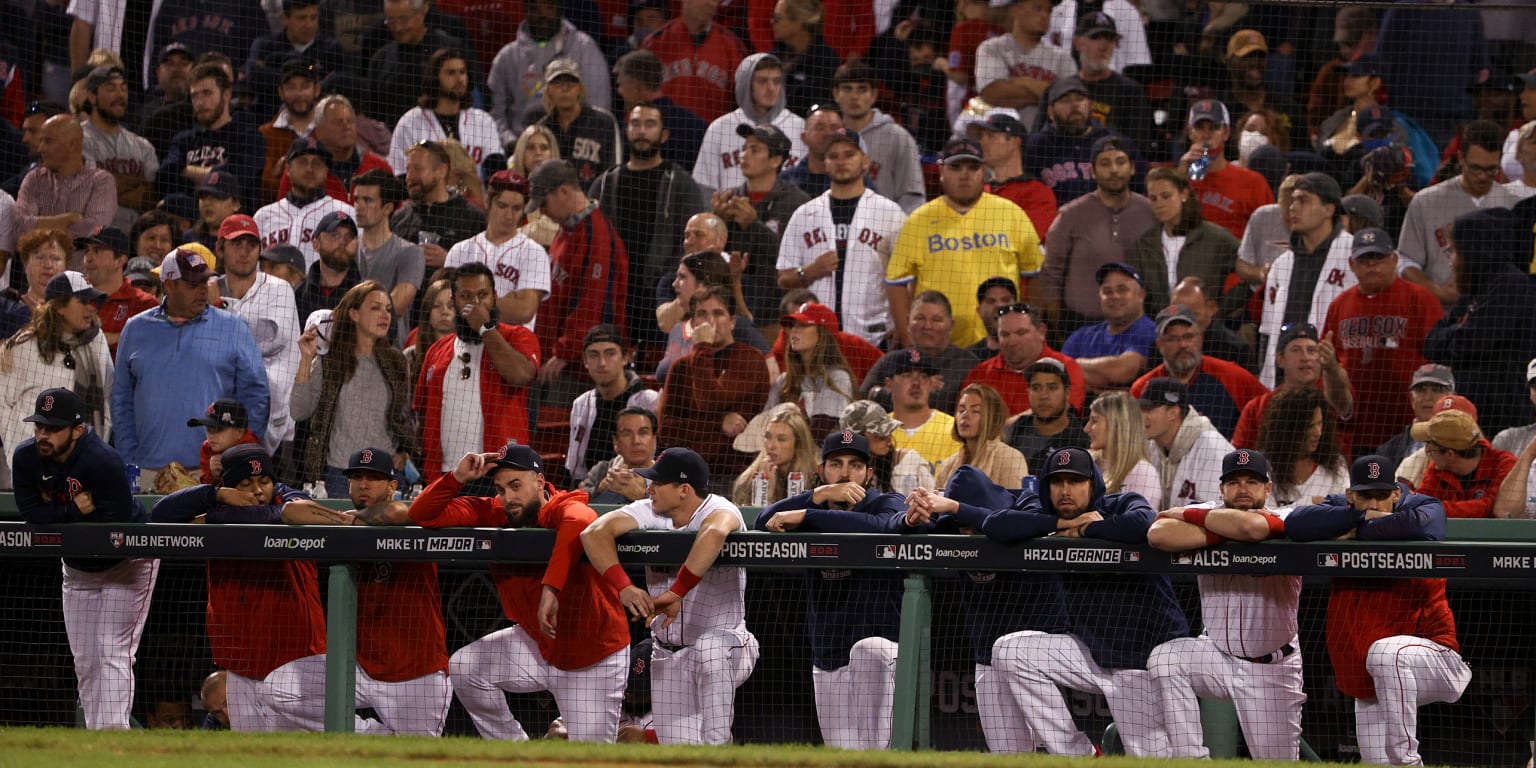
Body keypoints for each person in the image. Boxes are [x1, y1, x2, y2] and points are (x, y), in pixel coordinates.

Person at [910, 447, 1187, 757]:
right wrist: (1057, 524)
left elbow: (1142, 522)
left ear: (1092, 485)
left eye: (1075, 481)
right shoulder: (1046, 519)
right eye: (1057, 483)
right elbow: (998, 524)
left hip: (1142, 659)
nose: (1065, 490)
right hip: (1092, 651)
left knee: (1154, 759)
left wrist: (1089, 529)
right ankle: (1078, 756)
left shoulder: (1121, 503)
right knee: (1009, 650)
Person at [411, 443, 631, 741]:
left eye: (516, 486)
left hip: (592, 654)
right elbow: (422, 514)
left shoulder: (561, 505)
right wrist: (457, 477)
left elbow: (582, 520)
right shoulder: (496, 511)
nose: (508, 497)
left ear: (540, 482)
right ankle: (517, 752)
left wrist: (550, 588)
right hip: (538, 643)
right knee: (465, 667)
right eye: (501, 489)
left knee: (591, 760)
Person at [1287, 455, 1471, 766]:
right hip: (1372, 680)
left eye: (1382, 496)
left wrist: (1359, 527)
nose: (1374, 503)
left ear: (1397, 493)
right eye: (1365, 496)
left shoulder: (1422, 505)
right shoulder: (1340, 507)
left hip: (1437, 659)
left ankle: (1408, 763)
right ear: (1350, 496)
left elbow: (1429, 524)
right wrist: (1362, 520)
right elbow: (1296, 522)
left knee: (1387, 653)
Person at [581, 447, 759, 745]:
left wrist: (677, 592)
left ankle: (721, 749)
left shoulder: (721, 508)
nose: (649, 489)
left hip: (728, 646)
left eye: (657, 483)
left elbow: (714, 533)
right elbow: (593, 534)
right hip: (667, 654)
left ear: (684, 490)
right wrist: (624, 586)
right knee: (680, 753)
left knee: (709, 650)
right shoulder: (650, 510)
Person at [150, 445, 326, 732]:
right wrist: (214, 495)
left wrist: (215, 517)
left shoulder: (291, 499)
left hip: (296, 657)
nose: (258, 491)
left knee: (301, 752)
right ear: (230, 488)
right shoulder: (217, 500)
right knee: (251, 750)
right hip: (241, 659)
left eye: (264, 481)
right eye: (246, 485)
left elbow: (283, 514)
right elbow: (159, 514)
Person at [1146, 448, 1305, 761]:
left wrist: (1208, 528)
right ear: (1221, 488)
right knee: (1164, 659)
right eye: (1233, 482)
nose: (1242, 488)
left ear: (1268, 488)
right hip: (1215, 655)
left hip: (1270, 668)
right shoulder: (1208, 511)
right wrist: (1222, 529)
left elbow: (1249, 528)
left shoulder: (1286, 517)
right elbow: (1157, 534)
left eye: (1252, 481)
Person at [11, 387, 157, 729]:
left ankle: (113, 742)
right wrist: (70, 510)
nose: (43, 435)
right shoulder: (26, 458)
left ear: (77, 430)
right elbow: (32, 514)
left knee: (112, 652)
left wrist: (57, 514)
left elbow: (112, 531)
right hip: (77, 569)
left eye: (53, 428)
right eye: (40, 427)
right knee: (86, 661)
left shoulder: (103, 461)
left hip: (128, 565)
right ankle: (96, 741)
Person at [279, 447, 451, 736]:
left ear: (393, 486)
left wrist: (354, 521)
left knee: (417, 761)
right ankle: (378, 738)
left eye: (374, 478)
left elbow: (398, 511)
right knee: (279, 688)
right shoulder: (346, 520)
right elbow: (290, 510)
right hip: (358, 669)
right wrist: (347, 521)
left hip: (415, 674)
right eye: (357, 477)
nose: (363, 484)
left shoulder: (409, 516)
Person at [756, 430, 906, 749]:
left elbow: (884, 528)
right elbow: (763, 522)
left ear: (869, 473)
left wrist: (810, 513)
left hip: (879, 648)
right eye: (836, 464)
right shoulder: (813, 506)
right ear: (822, 471)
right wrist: (816, 497)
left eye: (855, 465)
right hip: (829, 651)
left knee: (878, 753)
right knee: (840, 755)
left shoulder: (886, 502)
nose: (845, 473)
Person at [112, 248, 269, 489]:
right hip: (146, 470)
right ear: (169, 284)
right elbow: (121, 399)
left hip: (212, 472)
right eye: (193, 283)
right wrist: (130, 458)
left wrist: (237, 455)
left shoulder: (233, 327)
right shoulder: (135, 329)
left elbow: (257, 396)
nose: (203, 289)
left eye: (205, 281)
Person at [887, 139, 1043, 348]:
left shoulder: (1012, 214)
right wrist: (910, 343)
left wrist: (1026, 330)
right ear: (941, 171)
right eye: (956, 167)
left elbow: (1034, 274)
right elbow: (896, 283)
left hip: (1001, 342)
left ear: (984, 172)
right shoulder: (919, 220)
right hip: (939, 347)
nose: (965, 175)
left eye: (973, 167)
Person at [588, 103, 709, 342]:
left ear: (664, 135)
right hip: (612, 295)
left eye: (650, 124)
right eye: (635, 124)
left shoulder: (681, 185)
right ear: (626, 131)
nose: (642, 131)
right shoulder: (603, 184)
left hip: (659, 296)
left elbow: (694, 247)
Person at [412, 262, 541, 484]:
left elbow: (520, 375)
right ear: (453, 301)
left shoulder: (518, 337)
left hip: (501, 474)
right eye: (466, 296)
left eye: (483, 295)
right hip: (445, 475)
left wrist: (485, 327)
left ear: (495, 297)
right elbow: (422, 413)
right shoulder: (437, 350)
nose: (475, 304)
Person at [777, 128, 905, 347]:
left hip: (873, 337)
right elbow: (783, 279)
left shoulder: (891, 214)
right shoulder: (804, 214)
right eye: (833, 156)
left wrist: (901, 325)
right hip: (816, 340)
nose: (841, 161)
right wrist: (809, 271)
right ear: (825, 164)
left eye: (849, 154)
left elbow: (906, 279)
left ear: (865, 161)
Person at [1321, 228, 1443, 453]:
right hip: (1357, 426)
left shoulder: (1420, 298)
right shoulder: (1339, 305)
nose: (1372, 264)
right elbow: (1330, 360)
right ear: (1352, 264)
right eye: (1365, 259)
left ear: (1394, 259)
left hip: (1406, 424)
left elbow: (1439, 361)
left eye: (1378, 257)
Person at [290, 281, 416, 496]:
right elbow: (299, 411)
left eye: (387, 309)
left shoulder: (397, 362)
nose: (385, 315)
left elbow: (403, 417)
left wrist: (405, 452)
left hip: (386, 474)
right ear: (354, 314)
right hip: (340, 475)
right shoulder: (330, 361)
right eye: (375, 308)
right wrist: (306, 360)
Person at [1425, 207, 1536, 435]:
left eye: (1454, 250)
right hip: (1475, 413)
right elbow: (1430, 343)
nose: (1450, 259)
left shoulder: (1512, 286)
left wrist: (1458, 332)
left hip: (1507, 416)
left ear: (1474, 251)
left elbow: (1470, 342)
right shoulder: (1474, 291)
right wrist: (1459, 332)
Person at [1034, 134, 1153, 343]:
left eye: (1120, 161)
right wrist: (1059, 329)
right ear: (1092, 171)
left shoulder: (1151, 212)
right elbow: (1051, 273)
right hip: (1079, 327)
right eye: (1105, 163)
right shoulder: (1070, 215)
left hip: (1138, 327)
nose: (1114, 170)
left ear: (1132, 168)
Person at [524, 160, 628, 390]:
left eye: (544, 203)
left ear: (563, 192)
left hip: (576, 367)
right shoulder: (567, 230)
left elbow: (592, 302)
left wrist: (565, 351)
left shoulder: (595, 234)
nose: (542, 212)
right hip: (555, 357)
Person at [657, 285, 770, 486]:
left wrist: (702, 347)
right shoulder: (680, 367)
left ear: (733, 322)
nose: (710, 321)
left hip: (732, 476)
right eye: (702, 314)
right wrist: (718, 423)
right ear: (692, 324)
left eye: (718, 313)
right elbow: (667, 429)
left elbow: (709, 400)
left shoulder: (750, 359)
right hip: (685, 475)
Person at [1398, 120, 1518, 307]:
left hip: (1496, 316)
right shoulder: (1425, 201)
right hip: (1439, 312)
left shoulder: (1513, 205)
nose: (1483, 176)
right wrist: (1438, 292)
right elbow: (1405, 262)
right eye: (1476, 168)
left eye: (1491, 169)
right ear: (1461, 158)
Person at [212, 214, 301, 460]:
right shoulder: (208, 289)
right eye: (236, 244)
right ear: (220, 249)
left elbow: (270, 337)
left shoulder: (279, 288)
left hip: (277, 421)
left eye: (251, 245)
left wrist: (218, 307)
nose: (245, 252)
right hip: (223, 421)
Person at [1257, 172, 1357, 389]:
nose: (1293, 207)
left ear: (1329, 209)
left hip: (1336, 382)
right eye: (1293, 200)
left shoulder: (1355, 256)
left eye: (1304, 200)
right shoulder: (1281, 264)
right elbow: (1267, 334)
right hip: (1283, 384)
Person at [715, 123, 809, 323]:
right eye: (744, 149)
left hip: (776, 315)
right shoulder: (728, 200)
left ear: (775, 160)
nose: (744, 155)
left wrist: (754, 225)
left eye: (754, 150)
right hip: (731, 314)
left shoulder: (798, 203)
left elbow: (795, 261)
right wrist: (717, 222)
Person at [1132, 306, 1267, 440]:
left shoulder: (1232, 377)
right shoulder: (1143, 388)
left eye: (1189, 336)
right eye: (1173, 339)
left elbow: (1270, 410)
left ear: (1200, 338)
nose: (1183, 345)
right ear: (1160, 344)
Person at [488, 0, 610, 147]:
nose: (543, 15)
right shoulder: (507, 57)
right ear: (525, 10)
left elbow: (599, 109)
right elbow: (495, 114)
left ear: (560, 8)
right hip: (521, 148)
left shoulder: (585, 49)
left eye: (550, 7)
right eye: (535, 8)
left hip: (576, 146)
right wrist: (513, 144)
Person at [442, 171, 551, 330]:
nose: (509, 215)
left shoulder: (535, 253)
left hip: (512, 344)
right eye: (502, 206)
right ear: (488, 202)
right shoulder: (460, 250)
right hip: (465, 342)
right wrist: (505, 301)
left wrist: (467, 299)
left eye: (516, 208)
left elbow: (524, 311)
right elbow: (446, 302)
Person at [1130, 166, 1241, 320]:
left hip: (1204, 331)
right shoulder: (1145, 244)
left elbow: (1249, 273)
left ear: (1183, 194)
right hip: (1161, 332)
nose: (1159, 204)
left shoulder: (1215, 237)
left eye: (1166, 196)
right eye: (1153, 198)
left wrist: (1221, 310)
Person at [693, 54, 806, 195]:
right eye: (762, 81)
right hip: (729, 213)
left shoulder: (800, 127)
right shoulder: (719, 128)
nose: (771, 88)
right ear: (746, 84)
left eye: (776, 81)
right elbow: (704, 188)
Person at [1233, 322, 1354, 451]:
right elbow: (1240, 455)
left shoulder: (1332, 393)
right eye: (1296, 350)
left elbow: (1342, 404)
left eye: (1312, 350)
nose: (1305, 358)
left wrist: (1331, 367)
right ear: (1280, 359)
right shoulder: (1258, 407)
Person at [157, 64, 263, 208]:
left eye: (207, 93)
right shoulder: (183, 140)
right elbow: (165, 174)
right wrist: (217, 172)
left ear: (226, 95)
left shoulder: (248, 137)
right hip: (187, 218)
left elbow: (238, 180)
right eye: (195, 96)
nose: (200, 103)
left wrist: (185, 170)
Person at [1024, 78, 1141, 208]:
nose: (1074, 105)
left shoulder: (1117, 143)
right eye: (1065, 100)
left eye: (1080, 99)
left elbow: (1140, 190)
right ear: (1051, 111)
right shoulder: (1035, 148)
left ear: (1090, 106)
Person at [566, 324, 660, 487]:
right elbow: (576, 469)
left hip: (641, 490)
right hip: (592, 489)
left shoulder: (650, 401)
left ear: (625, 357)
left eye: (610, 354)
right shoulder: (581, 403)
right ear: (585, 361)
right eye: (594, 355)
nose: (602, 363)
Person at [387, 49, 500, 181]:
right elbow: (399, 175)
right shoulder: (410, 123)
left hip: (474, 199)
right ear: (435, 78)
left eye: (462, 72)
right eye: (451, 73)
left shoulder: (483, 121)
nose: (460, 79)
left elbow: (497, 171)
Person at [365, 0, 479, 126]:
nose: (397, 28)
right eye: (391, 21)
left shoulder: (452, 50)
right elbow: (372, 114)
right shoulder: (380, 59)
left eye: (404, 20)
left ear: (422, 12)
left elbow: (474, 95)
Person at [831, 61, 926, 213]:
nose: (854, 96)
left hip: (886, 231)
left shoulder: (898, 137)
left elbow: (912, 197)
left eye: (862, 89)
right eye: (847, 89)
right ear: (836, 94)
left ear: (874, 94)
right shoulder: (829, 137)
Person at [963, 302, 1086, 417]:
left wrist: (1002, 427)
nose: (1012, 342)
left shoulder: (1067, 367)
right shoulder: (980, 374)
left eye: (1021, 333)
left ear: (1041, 331)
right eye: (1005, 335)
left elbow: (1060, 413)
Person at [1177, 99, 1274, 241]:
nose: (1206, 135)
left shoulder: (1253, 182)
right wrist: (1180, 177)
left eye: (1213, 127)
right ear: (1191, 132)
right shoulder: (1180, 177)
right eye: (1200, 127)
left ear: (1226, 133)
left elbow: (1269, 234)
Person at [255, 137, 357, 270]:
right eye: (303, 162)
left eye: (317, 163)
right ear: (288, 169)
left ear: (326, 172)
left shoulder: (346, 213)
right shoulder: (263, 216)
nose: (310, 169)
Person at [974, 0, 1076, 132]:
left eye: (1048, 10)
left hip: (1048, 140)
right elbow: (993, 94)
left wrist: (1022, 82)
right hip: (998, 136)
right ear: (1015, 11)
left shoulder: (1063, 58)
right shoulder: (991, 48)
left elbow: (1070, 102)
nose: (1045, 15)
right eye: (1038, 8)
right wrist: (1048, 94)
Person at [642, 0, 749, 124]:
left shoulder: (732, 45)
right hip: (664, 136)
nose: (712, 4)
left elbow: (743, 104)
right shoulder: (655, 42)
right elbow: (638, 94)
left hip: (713, 136)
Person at [390, 140, 487, 276]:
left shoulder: (473, 218)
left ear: (442, 170)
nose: (409, 177)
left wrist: (449, 260)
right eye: (408, 169)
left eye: (417, 168)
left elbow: (485, 270)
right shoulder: (399, 218)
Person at [15, 114, 117, 241]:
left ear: (73, 145)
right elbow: (19, 226)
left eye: (48, 141)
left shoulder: (101, 181)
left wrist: (38, 228)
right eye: (40, 141)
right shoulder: (34, 179)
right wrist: (66, 220)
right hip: (38, 260)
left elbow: (95, 229)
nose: (40, 148)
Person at [349, 170, 422, 342]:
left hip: (390, 351)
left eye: (367, 200)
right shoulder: (348, 250)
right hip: (349, 349)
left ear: (387, 208)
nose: (359, 206)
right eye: (356, 199)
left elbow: (395, 306)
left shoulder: (410, 252)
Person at [278, 96, 394, 204]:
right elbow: (283, 214)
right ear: (319, 131)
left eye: (350, 121)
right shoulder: (300, 171)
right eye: (338, 122)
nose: (346, 126)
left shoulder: (379, 167)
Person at [1067, 10, 1154, 153]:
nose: (1103, 46)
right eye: (1095, 37)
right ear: (1077, 42)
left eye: (1109, 39)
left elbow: (1140, 147)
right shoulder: (1061, 90)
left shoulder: (1131, 91)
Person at [1141, 377, 1235, 507]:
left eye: (1148, 409)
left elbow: (1220, 513)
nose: (1141, 416)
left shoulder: (1212, 448)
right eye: (1140, 409)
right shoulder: (1152, 444)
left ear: (1173, 413)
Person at [1061, 262, 1154, 393]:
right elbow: (1060, 375)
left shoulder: (1150, 332)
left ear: (1141, 295)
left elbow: (1120, 372)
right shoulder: (1082, 336)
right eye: (1107, 291)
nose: (1115, 296)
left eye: (1122, 289)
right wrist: (1108, 388)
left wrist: (1076, 364)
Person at [1410, 406, 1516, 520]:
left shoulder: (1504, 463)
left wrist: (1435, 509)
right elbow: (1419, 506)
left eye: (1429, 447)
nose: (1427, 452)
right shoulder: (1438, 468)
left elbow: (1493, 508)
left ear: (1449, 454)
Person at [79, 65, 158, 218]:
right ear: (92, 96)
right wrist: (137, 181)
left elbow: (151, 196)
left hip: (134, 235)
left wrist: (110, 185)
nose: (120, 95)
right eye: (111, 89)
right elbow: (89, 191)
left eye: (124, 89)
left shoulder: (142, 145)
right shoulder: (78, 138)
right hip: (93, 235)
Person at [611, 49, 708, 170]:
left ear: (636, 86)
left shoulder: (634, 131)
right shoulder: (697, 126)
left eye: (620, 84)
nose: (619, 91)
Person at [769, 303, 856, 434]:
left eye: (803, 325)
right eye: (793, 325)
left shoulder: (837, 377)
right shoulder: (784, 381)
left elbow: (821, 432)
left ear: (823, 333)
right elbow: (764, 426)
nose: (794, 330)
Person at [1255, 386, 1350, 506]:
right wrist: (1311, 503)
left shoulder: (1336, 466)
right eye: (1310, 426)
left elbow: (1343, 512)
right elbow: (1263, 516)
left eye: (1320, 423)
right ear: (1290, 429)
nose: (1318, 432)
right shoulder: (1264, 467)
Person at [968, 109, 1057, 236]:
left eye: (990, 136)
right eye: (980, 137)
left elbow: (1028, 239)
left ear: (1015, 142)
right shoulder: (977, 191)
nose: (982, 142)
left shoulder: (1038, 193)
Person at [1002, 358, 1091, 473]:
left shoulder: (1081, 442)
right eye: (1036, 388)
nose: (1043, 396)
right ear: (1028, 392)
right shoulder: (1012, 431)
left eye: (1052, 387)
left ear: (1067, 393)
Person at [78, 227, 157, 355]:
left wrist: (90, 338)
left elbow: (146, 344)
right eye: (86, 251)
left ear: (120, 260)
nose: (89, 258)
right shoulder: (72, 298)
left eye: (97, 251)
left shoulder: (144, 304)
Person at [935, 382, 1030, 489]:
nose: (965, 416)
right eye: (961, 410)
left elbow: (1017, 504)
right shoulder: (947, 465)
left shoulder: (1011, 459)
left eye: (975, 411)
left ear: (992, 417)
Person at [256, 60, 323, 206]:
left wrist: (283, 176)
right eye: (291, 87)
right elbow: (263, 187)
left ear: (316, 89)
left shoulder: (328, 130)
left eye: (305, 86)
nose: (299, 94)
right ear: (281, 92)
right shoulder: (266, 134)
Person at [882, 349, 961, 471]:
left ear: (931, 383)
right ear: (889, 383)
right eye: (907, 375)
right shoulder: (878, 432)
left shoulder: (954, 430)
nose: (916, 383)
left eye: (923, 376)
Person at [731, 402, 818, 506]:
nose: (771, 445)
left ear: (798, 445)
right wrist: (766, 494)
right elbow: (750, 520)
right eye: (767, 437)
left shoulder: (816, 480)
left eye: (781, 439)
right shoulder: (747, 482)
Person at [1082, 391, 1160, 506]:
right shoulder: (1086, 461)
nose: (1087, 428)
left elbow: (1141, 520)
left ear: (1116, 425)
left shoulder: (1142, 472)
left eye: (1095, 421)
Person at [293, 211, 363, 322]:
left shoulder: (366, 295)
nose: (342, 242)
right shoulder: (298, 293)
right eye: (335, 235)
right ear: (316, 244)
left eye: (349, 237)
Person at [779, 104, 850, 198]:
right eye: (820, 128)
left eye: (834, 128)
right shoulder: (785, 181)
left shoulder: (856, 180)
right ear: (804, 137)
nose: (828, 133)